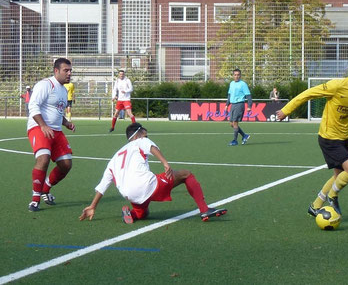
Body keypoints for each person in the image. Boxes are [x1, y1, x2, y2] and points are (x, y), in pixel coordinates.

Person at [276, 58, 348, 217]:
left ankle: (315, 206)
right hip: (329, 137)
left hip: (344, 138)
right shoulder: (336, 86)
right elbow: (308, 94)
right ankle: (333, 196)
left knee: (338, 176)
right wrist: (286, 110)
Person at [79, 122, 227, 223]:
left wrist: (92, 206)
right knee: (186, 174)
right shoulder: (140, 141)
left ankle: (131, 214)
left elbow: (102, 186)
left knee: (144, 213)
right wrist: (165, 163)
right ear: (138, 134)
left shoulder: (114, 158)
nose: (146, 136)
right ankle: (204, 209)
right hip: (146, 186)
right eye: (145, 133)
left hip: (129, 193)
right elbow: (150, 147)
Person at [27, 58, 76, 212]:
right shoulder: (45, 85)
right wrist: (43, 125)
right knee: (44, 158)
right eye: (65, 70)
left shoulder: (63, 89)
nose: (69, 73)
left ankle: (45, 189)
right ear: (56, 71)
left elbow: (57, 111)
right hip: (38, 127)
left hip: (56, 130)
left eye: (70, 71)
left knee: (66, 164)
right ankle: (35, 200)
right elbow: (33, 105)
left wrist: (66, 123)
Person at [224, 69, 251, 146]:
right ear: (233, 76)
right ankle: (244, 135)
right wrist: (227, 105)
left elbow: (248, 95)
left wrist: (249, 106)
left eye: (238, 75)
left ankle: (235, 141)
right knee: (231, 124)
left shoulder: (243, 84)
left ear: (240, 75)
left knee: (235, 122)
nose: (237, 76)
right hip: (233, 105)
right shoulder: (231, 83)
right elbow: (229, 95)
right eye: (235, 75)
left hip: (239, 104)